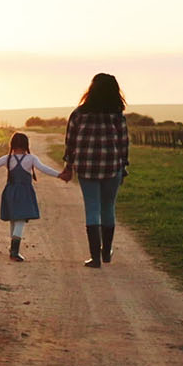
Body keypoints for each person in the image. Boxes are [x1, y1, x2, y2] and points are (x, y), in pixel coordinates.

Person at [57, 73, 130, 268]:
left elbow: (70, 143)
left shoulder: (79, 114)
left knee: (92, 208)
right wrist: (123, 167)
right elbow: (123, 143)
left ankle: (95, 258)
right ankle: (106, 252)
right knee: (108, 208)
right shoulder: (117, 115)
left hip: (86, 167)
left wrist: (68, 167)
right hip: (112, 166)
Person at [0, 132, 62, 261]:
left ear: (12, 145)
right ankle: (14, 251)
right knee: (20, 220)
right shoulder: (31, 159)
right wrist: (60, 175)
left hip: (10, 191)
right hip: (25, 191)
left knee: (14, 219)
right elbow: (44, 169)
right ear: (27, 145)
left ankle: (13, 248)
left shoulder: (7, 159)